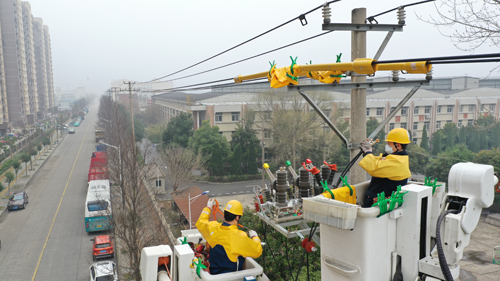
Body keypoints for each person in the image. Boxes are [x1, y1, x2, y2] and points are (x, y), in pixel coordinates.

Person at [196, 199, 263, 275]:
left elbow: (201, 222)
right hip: (232, 277)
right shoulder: (240, 236)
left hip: (213, 274)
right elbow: (258, 251)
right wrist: (255, 237)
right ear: (237, 217)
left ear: (224, 214)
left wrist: (208, 208)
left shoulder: (213, 227)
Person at [359, 128, 411, 207]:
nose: (387, 146)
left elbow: (374, 168)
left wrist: (368, 152)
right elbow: (380, 161)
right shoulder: (400, 158)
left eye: (389, 144)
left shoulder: (397, 161)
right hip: (384, 202)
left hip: (378, 203)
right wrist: (367, 154)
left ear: (398, 145)